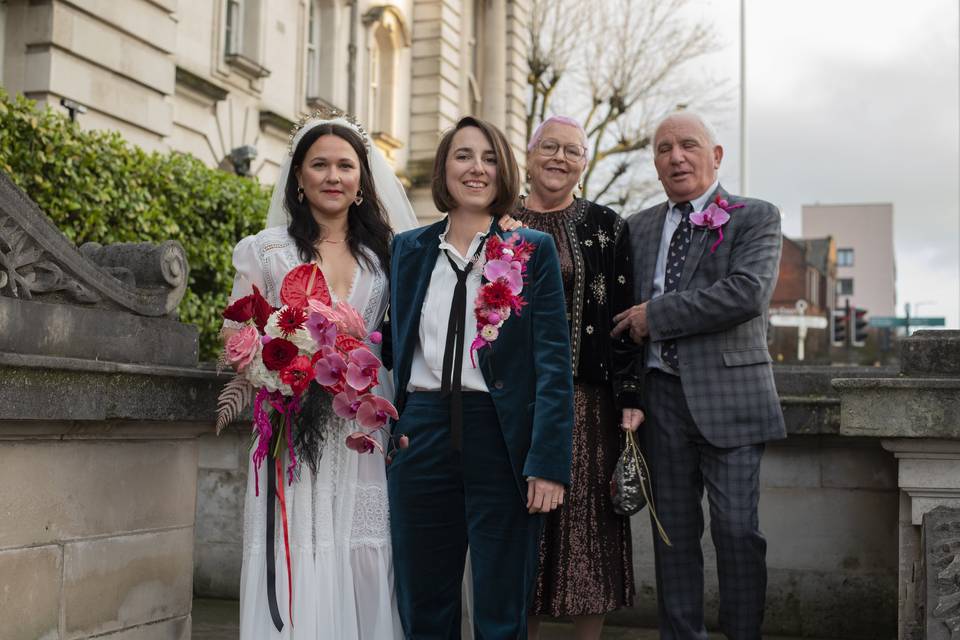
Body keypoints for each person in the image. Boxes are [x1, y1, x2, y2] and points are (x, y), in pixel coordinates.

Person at [223, 113, 417, 639]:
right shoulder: (266, 249)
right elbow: (235, 332)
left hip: (363, 426)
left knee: (364, 543)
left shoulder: (390, 254)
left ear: (361, 181)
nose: (333, 176)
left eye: (345, 166)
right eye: (320, 165)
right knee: (299, 540)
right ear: (300, 178)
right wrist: (274, 365)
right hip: (294, 423)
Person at [386, 115, 574, 639]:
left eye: (490, 158)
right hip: (419, 431)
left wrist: (549, 464)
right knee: (423, 603)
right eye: (464, 155)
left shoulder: (531, 250)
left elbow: (554, 366)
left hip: (500, 433)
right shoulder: (408, 249)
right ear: (444, 168)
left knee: (500, 606)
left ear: (506, 171)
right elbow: (392, 344)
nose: (477, 168)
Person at [611, 111, 786, 640]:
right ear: (656, 164)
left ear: (716, 156)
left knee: (737, 531)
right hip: (659, 401)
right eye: (664, 149)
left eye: (688, 145)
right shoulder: (636, 228)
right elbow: (619, 314)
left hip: (731, 398)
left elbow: (745, 294)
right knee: (673, 537)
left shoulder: (756, 216)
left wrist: (655, 315)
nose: (676, 157)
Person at [513, 116, 641, 640]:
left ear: (584, 164)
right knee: (522, 527)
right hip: (515, 401)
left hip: (588, 400)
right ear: (528, 153)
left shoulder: (607, 225)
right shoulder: (500, 222)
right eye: (549, 146)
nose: (559, 158)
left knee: (591, 531)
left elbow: (622, 317)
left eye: (572, 150)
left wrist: (630, 394)